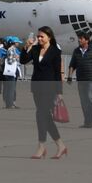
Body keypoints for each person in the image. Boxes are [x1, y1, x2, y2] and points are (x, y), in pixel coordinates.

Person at [20, 27, 67, 160]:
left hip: (50, 88)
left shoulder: (55, 52)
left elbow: (58, 73)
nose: (39, 39)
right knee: (46, 117)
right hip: (37, 87)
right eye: (38, 37)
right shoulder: (35, 49)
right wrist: (26, 47)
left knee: (40, 114)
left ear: (49, 37)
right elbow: (23, 60)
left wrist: (59, 92)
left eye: (42, 37)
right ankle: (61, 145)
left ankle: (41, 146)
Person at [66, 32, 92, 128]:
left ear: (86, 40)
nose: (79, 40)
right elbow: (72, 65)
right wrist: (69, 76)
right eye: (79, 38)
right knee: (83, 100)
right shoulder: (76, 51)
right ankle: (87, 122)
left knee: (90, 98)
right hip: (81, 79)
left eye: (81, 38)